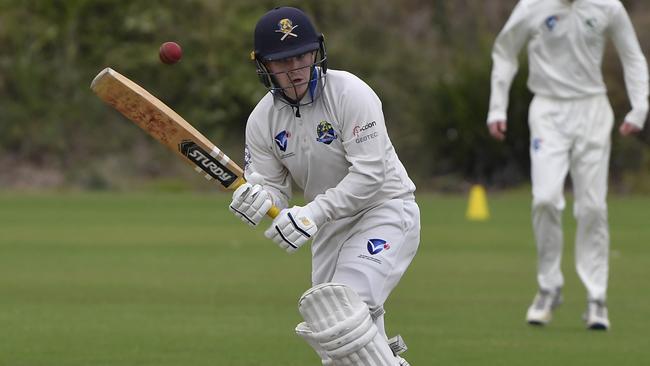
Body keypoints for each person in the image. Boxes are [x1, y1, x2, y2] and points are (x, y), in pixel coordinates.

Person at [228, 6, 419, 365]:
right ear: (264, 65)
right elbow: (273, 188)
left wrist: (313, 212)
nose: (295, 69)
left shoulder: (351, 94)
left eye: (301, 56)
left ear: (316, 53)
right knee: (336, 342)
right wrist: (257, 197)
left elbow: (370, 175)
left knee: (346, 311)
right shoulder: (261, 120)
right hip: (329, 229)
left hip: (385, 209)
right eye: (282, 62)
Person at [487, 0, 648, 330]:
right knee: (545, 199)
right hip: (548, 111)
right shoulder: (533, 6)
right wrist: (497, 107)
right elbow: (504, 50)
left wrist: (639, 107)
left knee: (592, 208)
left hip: (592, 109)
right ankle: (549, 288)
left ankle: (596, 298)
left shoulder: (608, 7)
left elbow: (633, 56)